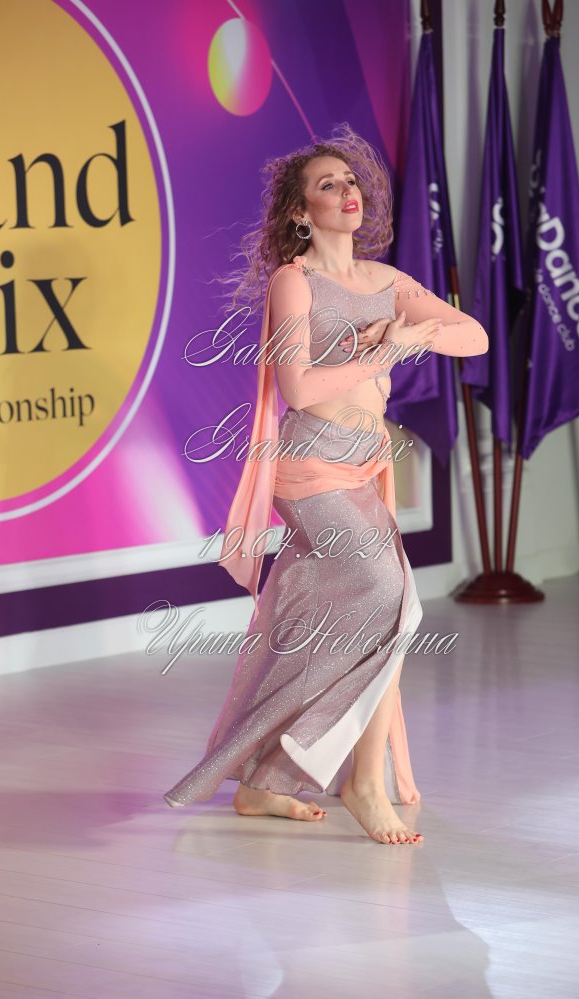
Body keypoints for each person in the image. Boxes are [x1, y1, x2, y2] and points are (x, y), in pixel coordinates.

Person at [164, 124, 488, 844]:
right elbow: (300, 389)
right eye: (327, 184)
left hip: (363, 468)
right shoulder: (294, 281)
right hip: (310, 470)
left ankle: (264, 783)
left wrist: (414, 333)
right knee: (388, 599)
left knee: (367, 621)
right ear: (300, 211)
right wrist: (388, 349)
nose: (347, 192)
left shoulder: (386, 282)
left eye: (351, 181)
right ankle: (364, 783)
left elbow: (474, 335)